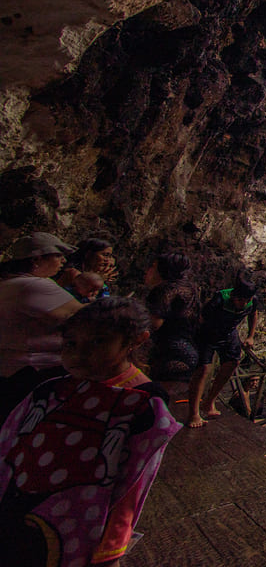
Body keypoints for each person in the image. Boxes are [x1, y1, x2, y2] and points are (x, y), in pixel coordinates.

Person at [0, 297, 181, 567]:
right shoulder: (51, 389)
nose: (79, 355)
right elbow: (9, 444)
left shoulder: (143, 404)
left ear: (137, 340)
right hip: (22, 508)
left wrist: (112, 547)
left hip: (83, 523)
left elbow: (133, 485)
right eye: (71, 344)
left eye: (98, 342)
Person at [0, 233, 83, 420]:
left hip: (10, 370)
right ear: (37, 259)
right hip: (35, 373)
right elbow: (86, 315)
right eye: (58, 255)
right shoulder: (34, 285)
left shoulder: (7, 284)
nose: (63, 260)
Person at [187, 273, 259, 428]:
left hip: (229, 332)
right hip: (208, 333)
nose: (243, 303)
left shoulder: (252, 301)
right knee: (204, 370)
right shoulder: (219, 299)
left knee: (232, 363)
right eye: (240, 300)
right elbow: (201, 320)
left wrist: (251, 336)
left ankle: (209, 402)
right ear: (233, 295)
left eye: (246, 300)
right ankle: (194, 414)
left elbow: (253, 315)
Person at [144, 253, 200, 384]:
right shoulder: (189, 288)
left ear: (162, 270)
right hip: (189, 351)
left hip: (168, 352)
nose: (148, 270)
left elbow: (154, 324)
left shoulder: (163, 290)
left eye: (153, 266)